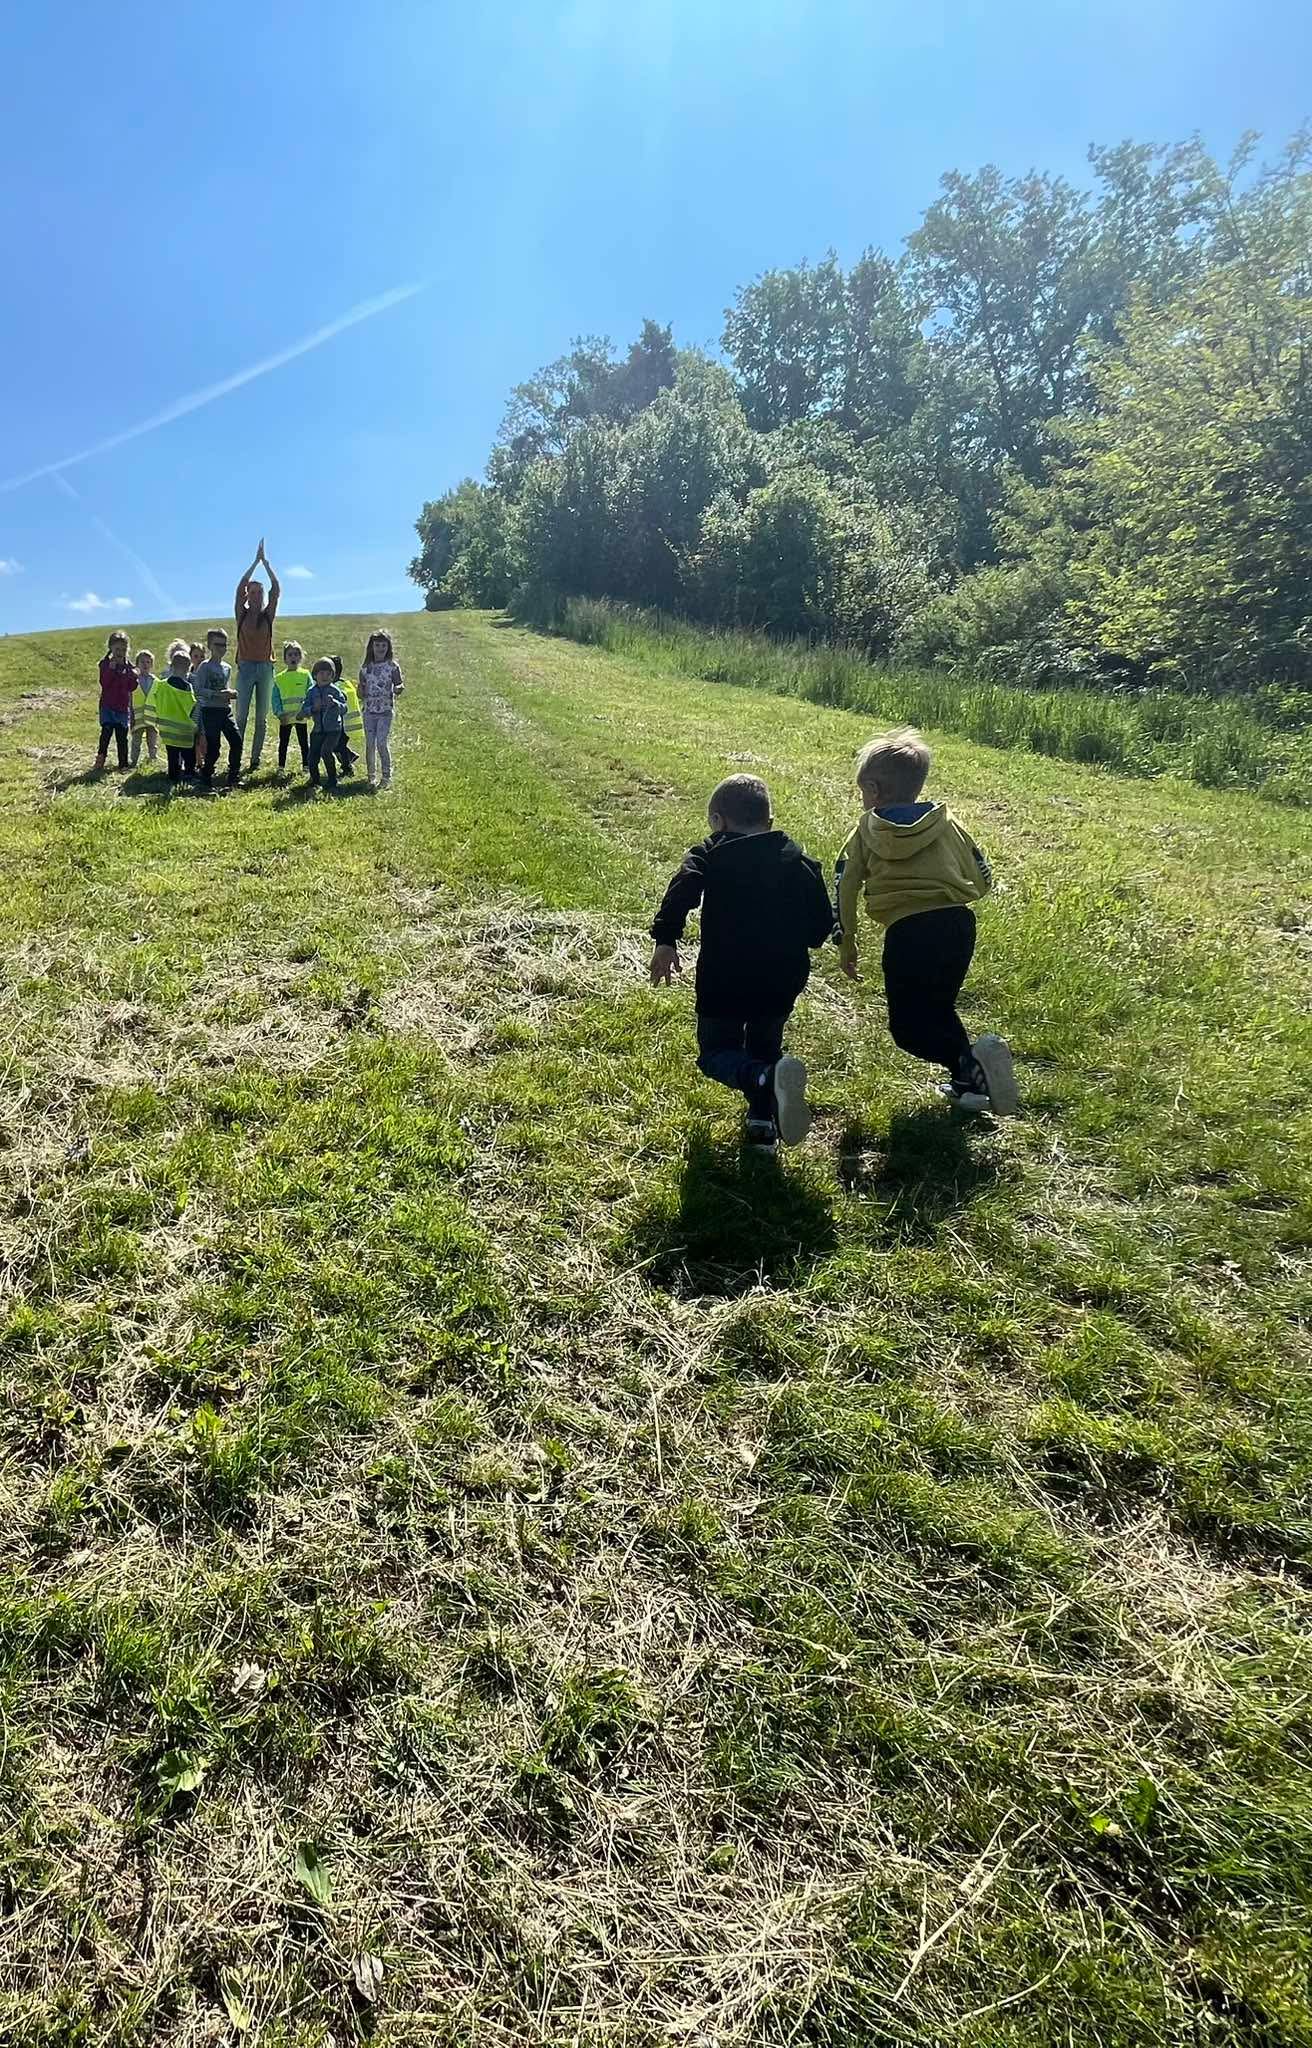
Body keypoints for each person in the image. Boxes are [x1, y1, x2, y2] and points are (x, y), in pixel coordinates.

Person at [835, 727, 1017, 1114]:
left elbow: (845, 885)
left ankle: (969, 1060)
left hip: (908, 932)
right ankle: (968, 1083)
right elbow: (980, 869)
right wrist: (965, 893)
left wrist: (847, 939)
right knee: (939, 1008)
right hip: (957, 925)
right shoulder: (946, 823)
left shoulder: (866, 831)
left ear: (873, 789)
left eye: (862, 792)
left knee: (908, 1030)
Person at [649, 773, 833, 1149]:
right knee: (766, 1045)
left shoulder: (711, 853)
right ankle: (762, 1124)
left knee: (716, 1053)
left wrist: (666, 940)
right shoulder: (799, 861)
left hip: (725, 974)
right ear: (769, 820)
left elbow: (683, 887)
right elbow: (819, 927)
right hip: (782, 977)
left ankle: (764, 1078)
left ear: (718, 821)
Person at [233, 538, 280, 770]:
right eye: (252, 592)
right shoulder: (241, 614)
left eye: (260, 592)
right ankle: (236, 758)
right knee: (241, 717)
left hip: (265, 669)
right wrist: (255, 562)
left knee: (261, 718)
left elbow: (276, 590)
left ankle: (254, 759)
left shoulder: (267, 616)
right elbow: (240, 585)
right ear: (247, 595)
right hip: (245, 668)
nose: (257, 595)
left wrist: (266, 564)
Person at [192, 628, 242, 788]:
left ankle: (233, 776)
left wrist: (232, 693)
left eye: (224, 645)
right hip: (210, 711)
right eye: (218, 644)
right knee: (214, 748)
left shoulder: (227, 667)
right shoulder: (204, 667)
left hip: (225, 710)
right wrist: (216, 694)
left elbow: (225, 688)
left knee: (236, 741)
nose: (222, 648)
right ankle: (206, 775)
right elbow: (198, 690)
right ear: (209, 646)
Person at [358, 628, 404, 788]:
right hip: (369, 712)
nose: (380, 648)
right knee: (370, 744)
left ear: (388, 647)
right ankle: (371, 777)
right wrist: (360, 690)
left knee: (382, 743)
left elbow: (399, 683)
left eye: (384, 645)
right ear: (371, 647)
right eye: (377, 645)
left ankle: (386, 776)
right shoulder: (366, 668)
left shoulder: (392, 666)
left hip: (385, 711)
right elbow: (361, 691)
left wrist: (398, 688)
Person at [154, 643, 200, 785]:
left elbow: (155, 700)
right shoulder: (187, 687)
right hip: (184, 731)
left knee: (172, 755)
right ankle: (189, 773)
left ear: (172, 666)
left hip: (168, 731)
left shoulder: (161, 684)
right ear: (188, 669)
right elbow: (193, 705)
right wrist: (196, 725)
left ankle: (173, 775)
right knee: (188, 754)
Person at [303, 659, 348, 789]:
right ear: (315, 675)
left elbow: (344, 708)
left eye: (329, 674)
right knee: (312, 756)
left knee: (326, 751)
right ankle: (315, 780)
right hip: (317, 729)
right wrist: (313, 708)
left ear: (333, 676)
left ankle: (332, 780)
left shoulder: (335, 691)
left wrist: (335, 703)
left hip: (333, 729)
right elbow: (304, 710)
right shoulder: (311, 692)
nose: (325, 677)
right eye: (321, 673)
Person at [94, 631, 135, 771]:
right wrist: (111, 670)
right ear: (110, 648)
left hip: (122, 708)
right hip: (107, 706)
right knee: (106, 733)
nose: (120, 652)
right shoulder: (105, 664)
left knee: (122, 737)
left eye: (123, 649)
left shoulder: (129, 667)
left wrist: (134, 676)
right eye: (117, 649)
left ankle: (123, 764)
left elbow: (131, 687)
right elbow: (104, 683)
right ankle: (100, 759)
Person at [273, 641, 311, 772]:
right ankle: (281, 767)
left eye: (296, 654)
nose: (293, 657)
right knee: (283, 743)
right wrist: (279, 713)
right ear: (285, 658)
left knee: (303, 743)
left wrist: (307, 711)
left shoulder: (305, 675)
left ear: (300, 657)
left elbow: (311, 693)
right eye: (290, 655)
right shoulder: (279, 678)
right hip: (285, 717)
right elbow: (275, 698)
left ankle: (306, 766)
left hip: (301, 716)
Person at [329, 654, 361, 775]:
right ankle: (349, 757)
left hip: (343, 725)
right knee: (337, 746)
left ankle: (348, 767)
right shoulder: (345, 683)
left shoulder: (337, 688)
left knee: (337, 746)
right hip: (345, 724)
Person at [128, 646, 160, 767]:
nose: (145, 664)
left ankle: (153, 760)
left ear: (151, 664)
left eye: (148, 662)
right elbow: (130, 698)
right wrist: (130, 715)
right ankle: (133, 761)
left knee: (152, 741)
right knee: (136, 741)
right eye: (142, 662)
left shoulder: (156, 681)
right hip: (138, 718)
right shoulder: (133, 680)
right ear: (137, 664)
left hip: (152, 718)